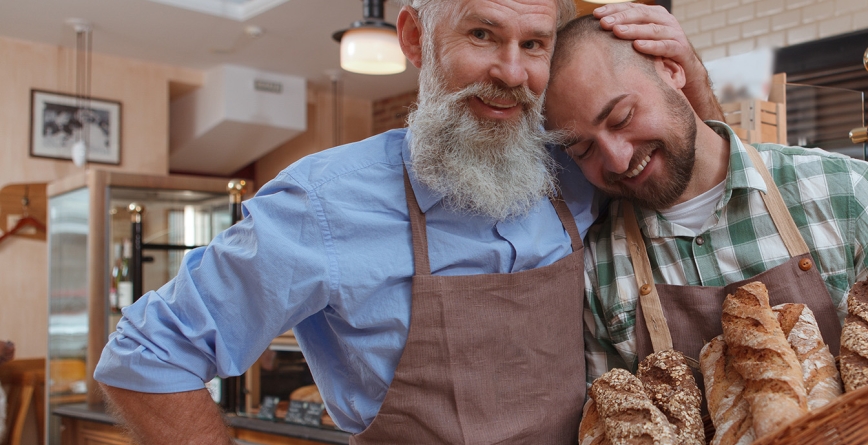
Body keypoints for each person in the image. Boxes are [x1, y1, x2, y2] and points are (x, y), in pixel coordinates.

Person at [94, 1, 718, 443]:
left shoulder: (577, 165)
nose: (511, 72)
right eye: (481, 33)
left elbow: (712, 186)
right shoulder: (323, 203)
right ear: (416, 39)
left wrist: (686, 68)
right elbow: (148, 353)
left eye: (533, 44)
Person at [542, 17, 868, 382]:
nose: (618, 159)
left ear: (673, 70)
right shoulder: (598, 267)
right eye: (584, 150)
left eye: (622, 118)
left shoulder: (845, 192)